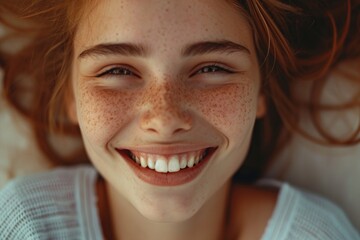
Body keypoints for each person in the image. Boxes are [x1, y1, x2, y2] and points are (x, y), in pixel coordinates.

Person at [0, 0, 359, 239]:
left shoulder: (314, 234)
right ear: (70, 99)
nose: (165, 117)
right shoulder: (27, 224)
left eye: (212, 68)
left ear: (261, 91)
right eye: (119, 70)